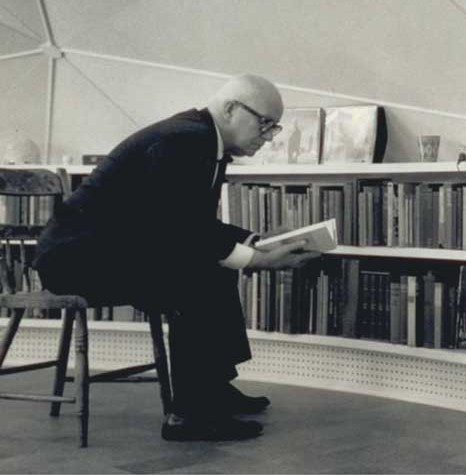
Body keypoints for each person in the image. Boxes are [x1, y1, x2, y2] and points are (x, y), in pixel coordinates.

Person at [34, 74, 321, 442]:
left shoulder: (205, 141)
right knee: (196, 274)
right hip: (75, 261)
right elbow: (179, 231)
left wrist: (256, 241)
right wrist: (258, 260)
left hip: (110, 252)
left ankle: (211, 388)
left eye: (273, 128)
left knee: (211, 268)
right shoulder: (185, 139)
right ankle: (189, 414)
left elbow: (193, 224)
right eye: (264, 123)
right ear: (231, 109)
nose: (268, 137)